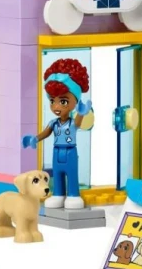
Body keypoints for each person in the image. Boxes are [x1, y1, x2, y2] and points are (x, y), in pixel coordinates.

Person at [22, 59, 92, 210]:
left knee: (72, 174)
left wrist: (81, 113)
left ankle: (73, 194)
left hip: (70, 151)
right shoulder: (54, 123)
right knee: (57, 174)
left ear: (75, 101)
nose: (56, 107)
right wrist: (35, 139)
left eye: (63, 101)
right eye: (52, 101)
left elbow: (78, 123)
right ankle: (58, 194)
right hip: (56, 152)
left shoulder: (72, 123)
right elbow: (46, 132)